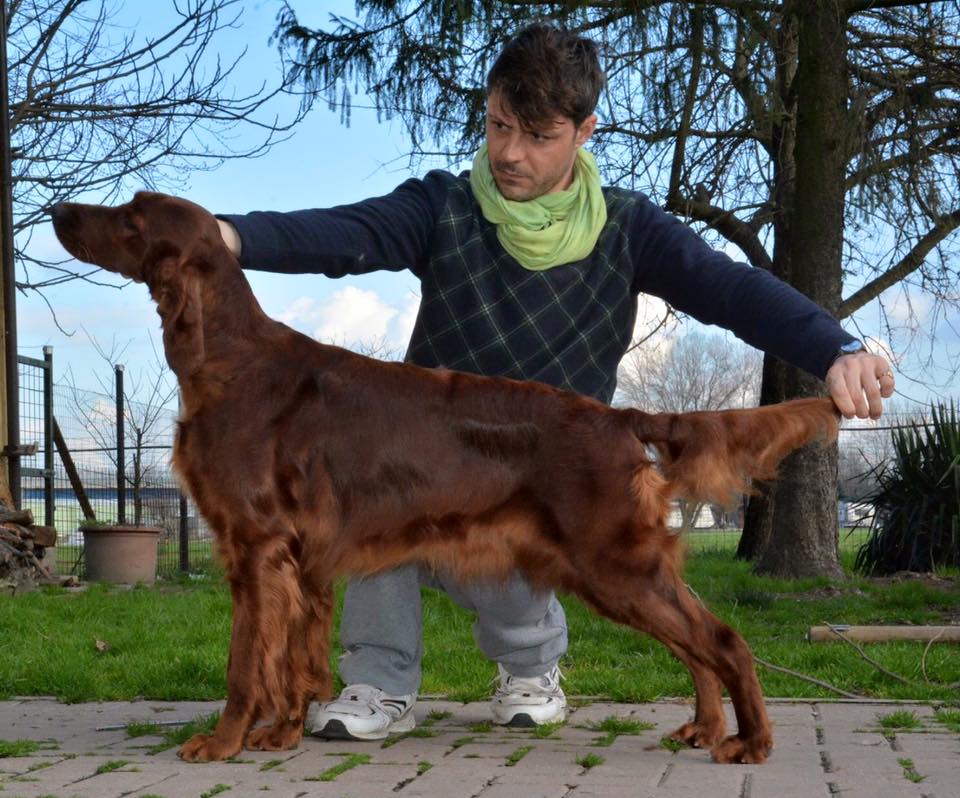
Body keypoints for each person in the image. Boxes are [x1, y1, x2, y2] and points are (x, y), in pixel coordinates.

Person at [215, 23, 894, 742]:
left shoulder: (627, 228)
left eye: (538, 136)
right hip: (426, 465)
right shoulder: (445, 205)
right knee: (363, 482)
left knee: (544, 519)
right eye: (498, 125)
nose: (509, 152)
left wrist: (834, 347)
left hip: (544, 479)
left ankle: (531, 669)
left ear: (584, 132)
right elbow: (346, 233)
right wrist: (228, 236)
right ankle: (378, 683)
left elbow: (729, 288)